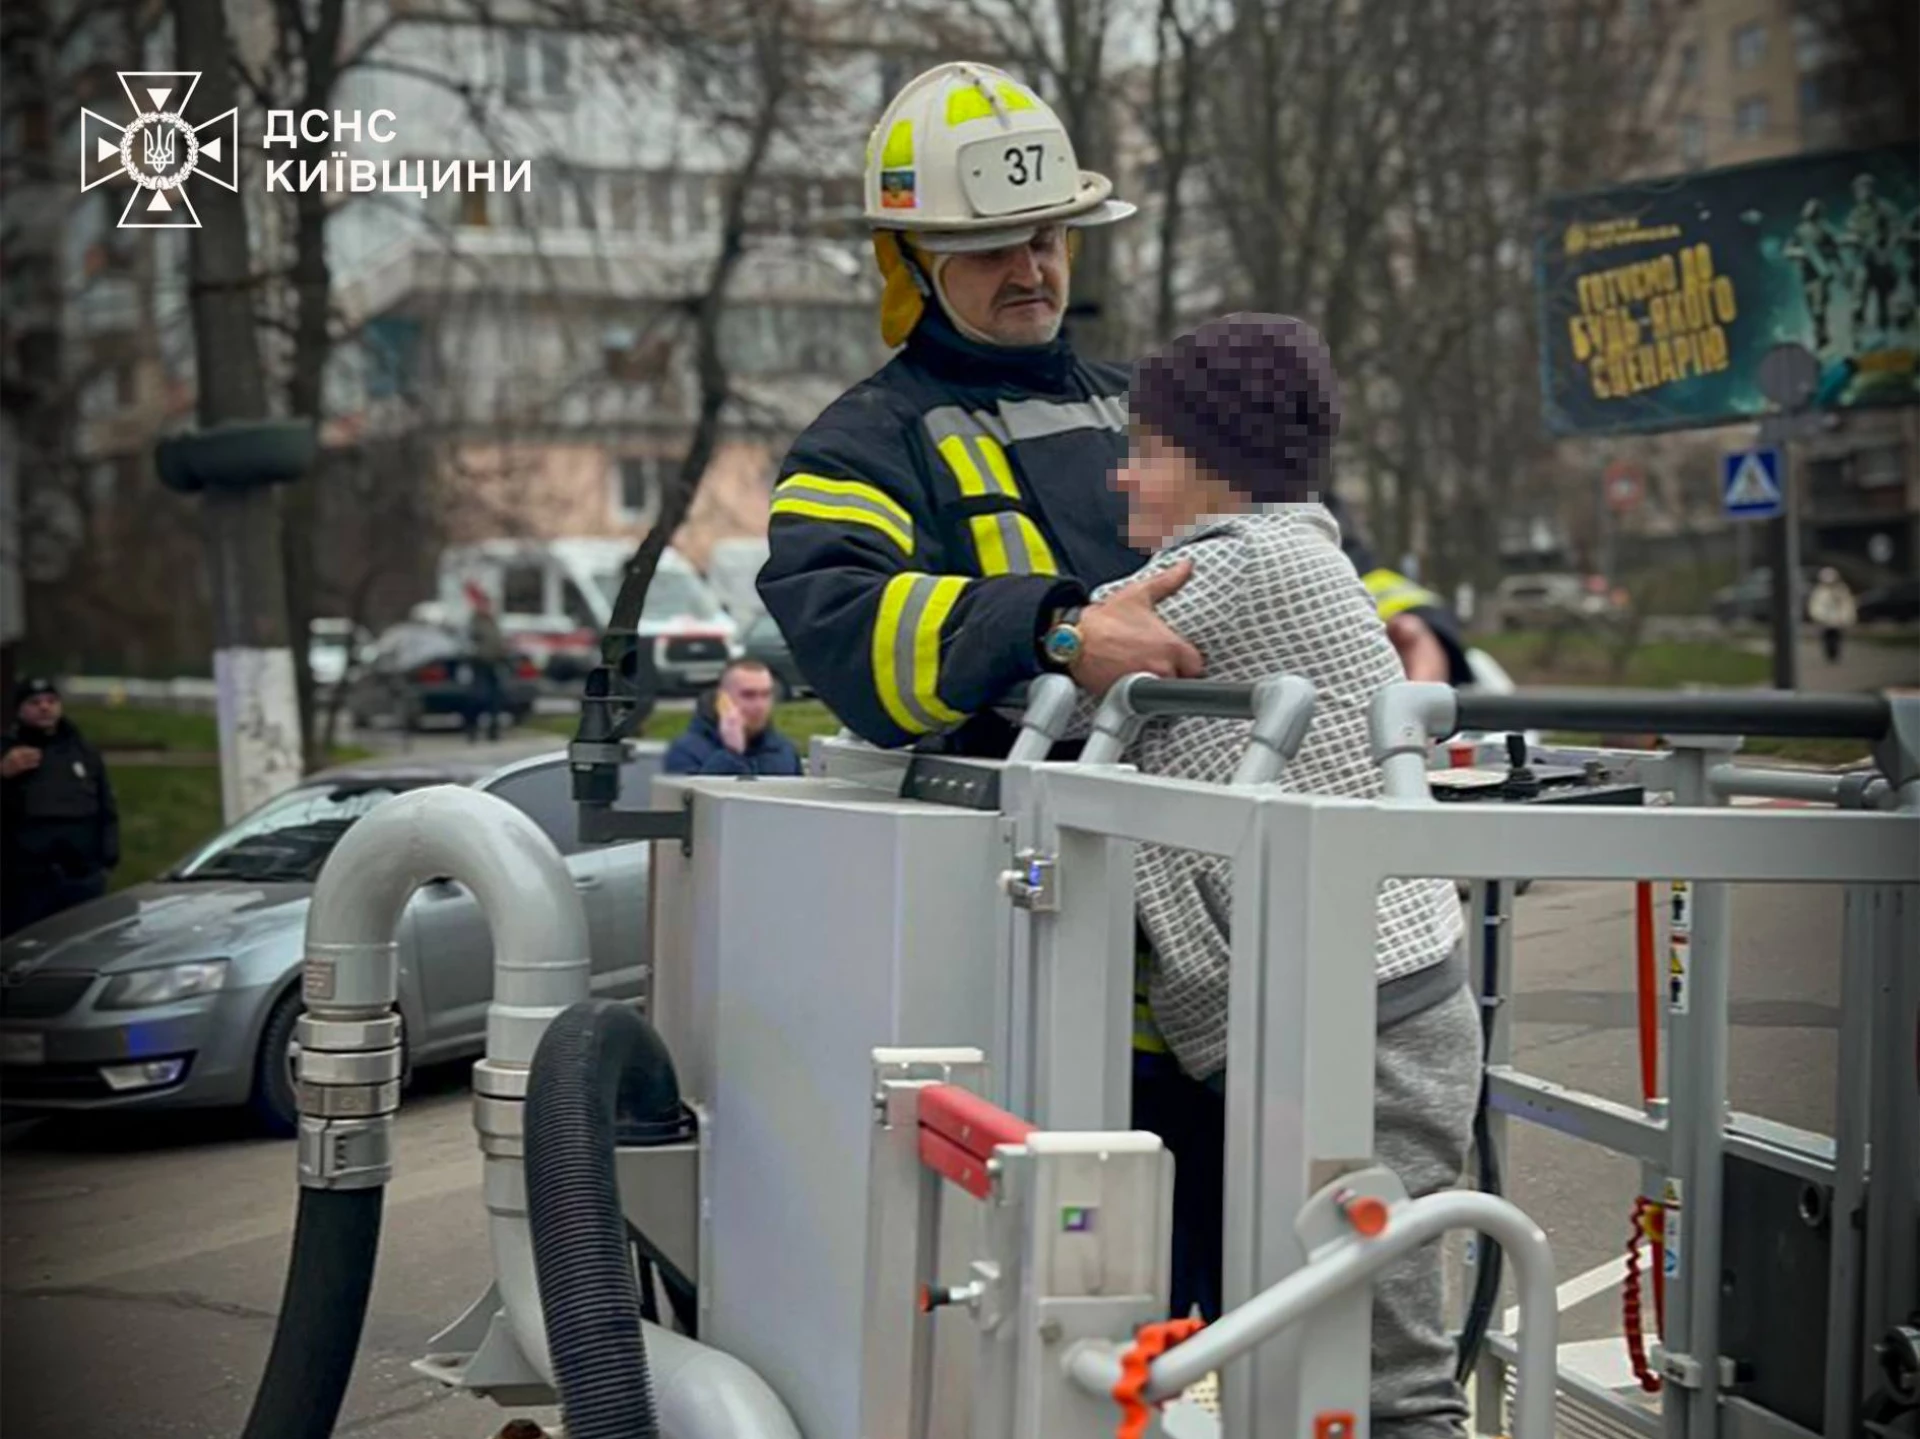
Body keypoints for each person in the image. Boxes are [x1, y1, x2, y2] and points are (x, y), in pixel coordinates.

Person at [1104, 313, 1476, 1438]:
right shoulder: (1271, 551)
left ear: (1215, 466)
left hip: (1370, 1024)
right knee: (1318, 1341)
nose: (1122, 470)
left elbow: (1073, 670)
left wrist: (1070, 635)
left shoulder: (1250, 562)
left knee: (1384, 1375)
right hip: (1339, 1014)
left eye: (1146, 446)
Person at [757, 60, 1202, 757]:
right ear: (910, 264)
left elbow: (1300, 538)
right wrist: (1060, 632)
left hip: (1213, 803)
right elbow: (845, 627)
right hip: (1000, 834)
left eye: (1044, 240)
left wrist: (1408, 621)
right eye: (990, 250)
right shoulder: (860, 444)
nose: (1028, 273)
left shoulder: (1158, 404)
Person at [2, 678, 120, 937]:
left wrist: (108, 857)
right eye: (35, 702)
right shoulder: (8, 750)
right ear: (20, 710)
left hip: (81, 878)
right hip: (25, 882)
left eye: (51, 701)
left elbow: (106, 807)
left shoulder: (82, 751)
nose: (45, 708)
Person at [663, 659, 803, 777]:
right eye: (748, 695)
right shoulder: (687, 751)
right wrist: (731, 754)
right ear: (722, 699)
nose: (760, 705)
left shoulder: (784, 750)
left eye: (766, 695)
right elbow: (699, 804)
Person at [465, 588, 509, 744]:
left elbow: (497, 641)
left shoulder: (492, 621)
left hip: (494, 663)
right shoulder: (475, 622)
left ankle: (493, 731)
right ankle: (472, 729)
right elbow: (470, 642)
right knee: (479, 698)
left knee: (495, 699)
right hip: (479, 664)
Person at [1808, 566, 1857, 663]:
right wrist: (1820, 616)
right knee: (1827, 638)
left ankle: (1835, 654)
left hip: (1838, 620)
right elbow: (1816, 605)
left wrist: (1845, 617)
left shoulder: (1841, 590)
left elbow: (1847, 604)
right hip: (1825, 621)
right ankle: (1830, 654)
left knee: (1837, 638)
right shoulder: (1820, 591)